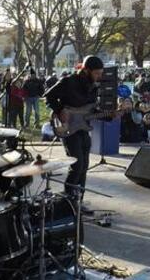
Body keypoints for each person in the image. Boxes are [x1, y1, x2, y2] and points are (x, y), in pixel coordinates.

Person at [44, 55, 105, 207]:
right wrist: (59, 110)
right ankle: (69, 200)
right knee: (76, 165)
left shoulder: (93, 88)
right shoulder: (68, 81)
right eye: (97, 73)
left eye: (100, 73)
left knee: (84, 166)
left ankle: (79, 200)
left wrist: (110, 115)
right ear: (86, 70)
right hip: (68, 128)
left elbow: (92, 110)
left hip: (83, 129)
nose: (99, 76)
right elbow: (48, 96)